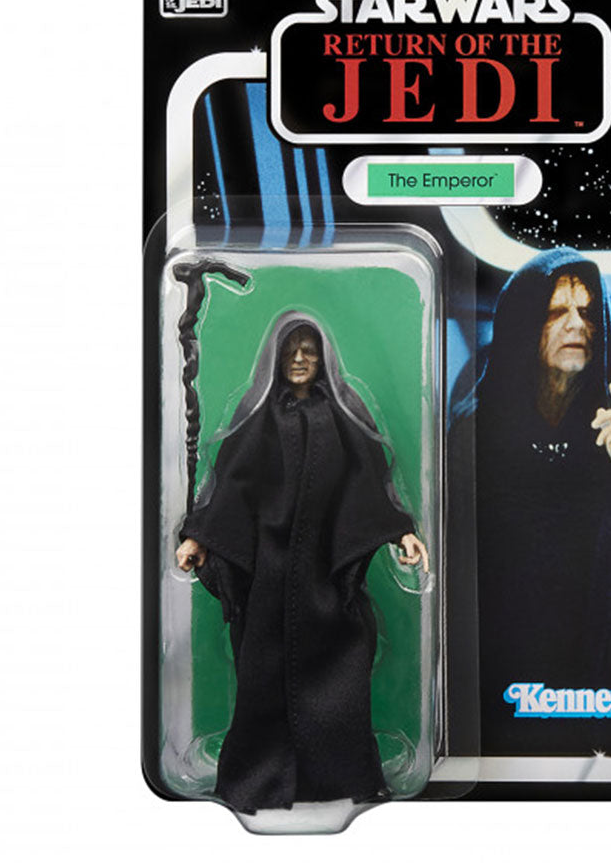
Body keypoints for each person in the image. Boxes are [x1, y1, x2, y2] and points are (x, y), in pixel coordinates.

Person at [176, 314, 428, 812]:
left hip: (326, 574)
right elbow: (230, 485)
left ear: (323, 358)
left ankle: (343, 775)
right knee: (261, 679)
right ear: (274, 358)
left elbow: (369, 480)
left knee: (343, 668)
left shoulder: (343, 415)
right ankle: (256, 782)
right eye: (290, 349)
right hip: (268, 575)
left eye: (308, 349)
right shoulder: (257, 419)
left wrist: (400, 530)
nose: (298, 358)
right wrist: (198, 538)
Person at [454, 247, 611, 756]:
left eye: (586, 311)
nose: (576, 324)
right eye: (557, 311)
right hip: (499, 663)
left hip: (601, 663)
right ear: (526, 325)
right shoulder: (474, 427)